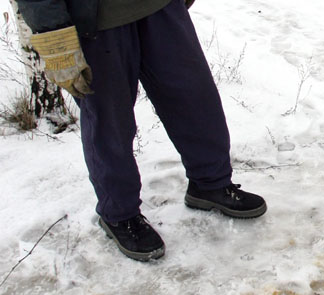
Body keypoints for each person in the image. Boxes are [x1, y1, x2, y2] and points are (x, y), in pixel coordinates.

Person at [16, 0, 266, 262]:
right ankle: (120, 214)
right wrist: (52, 33)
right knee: (110, 123)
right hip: (95, 22)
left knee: (195, 99)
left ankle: (210, 184)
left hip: (161, 8)